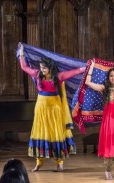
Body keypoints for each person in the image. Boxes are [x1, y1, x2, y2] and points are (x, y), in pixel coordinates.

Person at [18, 43, 86, 172]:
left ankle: (59, 162)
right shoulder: (37, 74)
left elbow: (76, 71)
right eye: (41, 68)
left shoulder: (59, 77)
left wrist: (88, 66)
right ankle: (39, 162)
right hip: (41, 108)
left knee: (56, 133)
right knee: (40, 132)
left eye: (45, 68)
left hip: (55, 109)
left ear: (50, 68)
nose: (42, 70)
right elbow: (24, 66)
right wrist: (21, 52)